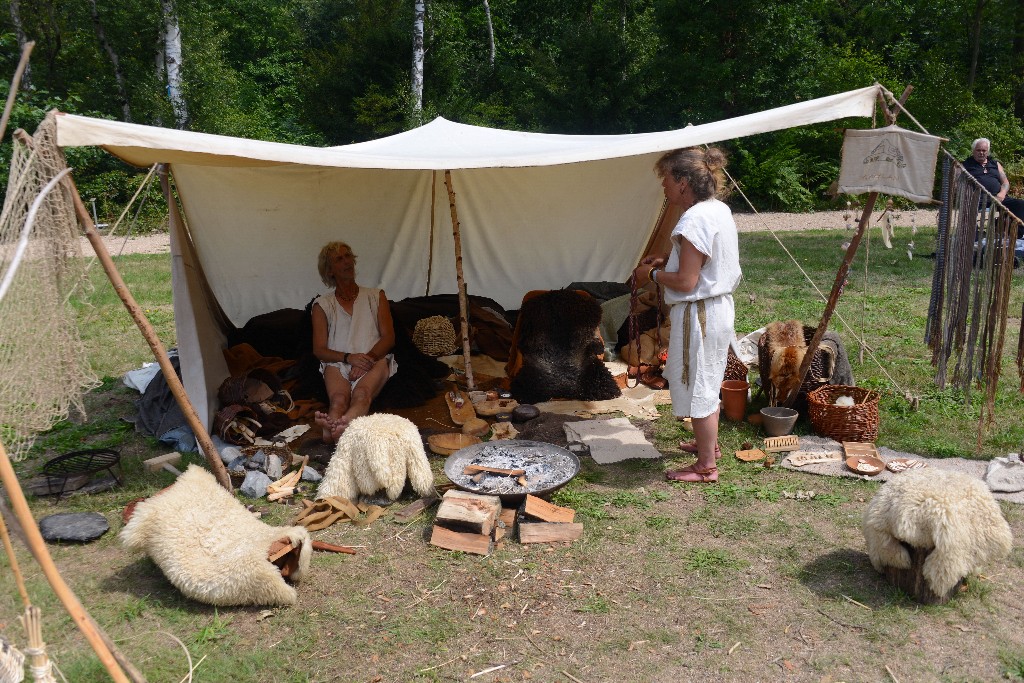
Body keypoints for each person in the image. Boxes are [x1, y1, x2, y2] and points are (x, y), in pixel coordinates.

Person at [634, 146, 742, 483]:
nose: (663, 186)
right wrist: (667, 261)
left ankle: (706, 466)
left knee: (699, 384)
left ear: (683, 181)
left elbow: (686, 281)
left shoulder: (694, 218)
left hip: (700, 315)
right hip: (714, 309)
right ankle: (707, 445)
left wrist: (649, 276)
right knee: (706, 378)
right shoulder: (717, 210)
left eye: (666, 179)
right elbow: (704, 262)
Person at [312, 241, 397, 442]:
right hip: (338, 361)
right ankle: (333, 428)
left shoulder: (376, 296)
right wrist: (349, 358)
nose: (347, 262)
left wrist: (367, 360)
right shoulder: (322, 305)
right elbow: (319, 350)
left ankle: (340, 426)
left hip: (374, 359)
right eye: (339, 259)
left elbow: (389, 337)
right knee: (338, 400)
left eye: (348, 256)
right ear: (330, 270)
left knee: (362, 394)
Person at [963, 138, 1024, 237]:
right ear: (973, 151)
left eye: (984, 150)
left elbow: (1005, 183)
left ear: (988, 151)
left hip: (999, 198)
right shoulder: (966, 165)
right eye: (978, 150)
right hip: (978, 199)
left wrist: (1002, 194)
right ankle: (974, 237)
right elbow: (958, 182)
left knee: (1020, 204)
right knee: (968, 209)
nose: (981, 153)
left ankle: (1015, 234)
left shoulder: (995, 164)